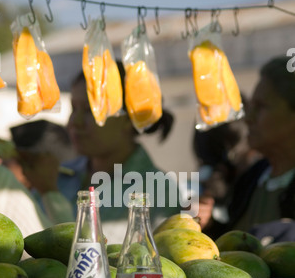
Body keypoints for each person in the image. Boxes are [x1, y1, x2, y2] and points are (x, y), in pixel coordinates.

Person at [22, 64, 181, 243]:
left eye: (91, 110)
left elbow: (88, 257)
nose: (75, 122)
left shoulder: (156, 190)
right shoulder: (58, 175)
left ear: (129, 118)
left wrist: (49, 193)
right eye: (74, 108)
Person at [199, 55, 295, 244]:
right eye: (251, 106)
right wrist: (209, 225)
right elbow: (239, 250)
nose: (248, 118)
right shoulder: (252, 178)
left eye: (261, 107)